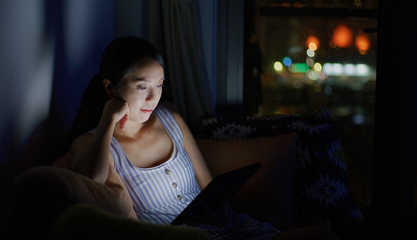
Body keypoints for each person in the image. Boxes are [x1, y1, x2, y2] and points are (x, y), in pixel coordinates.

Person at [66, 36, 338, 240]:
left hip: (225, 222)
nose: (153, 98)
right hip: (187, 237)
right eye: (142, 87)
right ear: (111, 88)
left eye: (159, 85)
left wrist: (219, 208)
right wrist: (107, 120)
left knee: (320, 235)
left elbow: (206, 181)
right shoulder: (94, 143)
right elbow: (91, 184)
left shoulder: (171, 117)